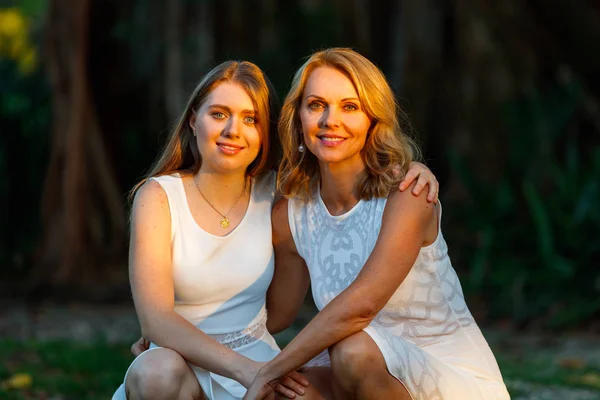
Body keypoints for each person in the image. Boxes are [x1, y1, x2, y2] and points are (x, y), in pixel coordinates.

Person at [113, 59, 439, 400]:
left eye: (250, 119)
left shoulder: (281, 197)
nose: (232, 131)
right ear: (194, 119)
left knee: (300, 393)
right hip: (183, 359)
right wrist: (246, 369)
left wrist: (412, 168)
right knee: (156, 372)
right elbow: (156, 321)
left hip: (256, 356)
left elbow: (279, 315)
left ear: (264, 132)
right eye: (219, 114)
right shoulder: (158, 196)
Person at [243, 48, 511, 400]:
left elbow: (361, 306)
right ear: (298, 118)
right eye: (316, 105)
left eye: (350, 107)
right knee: (290, 393)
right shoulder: (292, 214)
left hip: (446, 377)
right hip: (355, 364)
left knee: (350, 352)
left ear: (373, 119)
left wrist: (269, 372)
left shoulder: (407, 193)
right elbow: (272, 317)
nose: (330, 121)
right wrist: (179, 328)